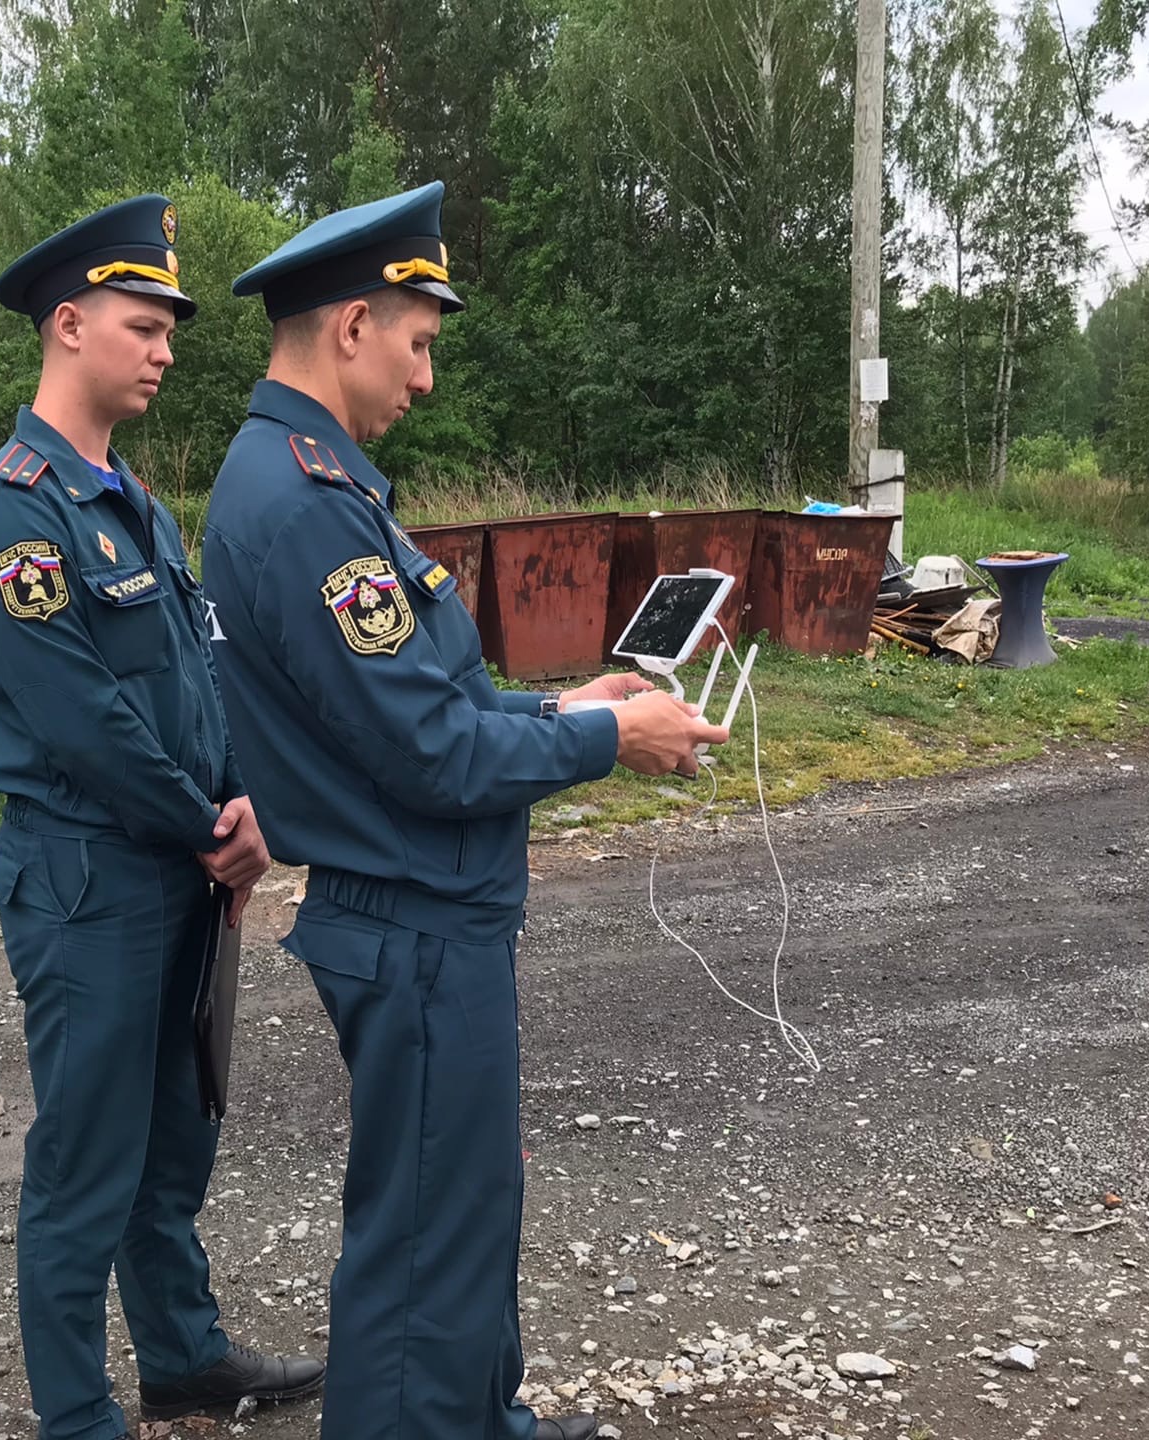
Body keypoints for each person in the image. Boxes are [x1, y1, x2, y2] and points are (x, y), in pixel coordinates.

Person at [200, 181, 728, 1440]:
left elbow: (418, 705)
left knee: (468, 1201)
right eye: (419, 343)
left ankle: (486, 1421)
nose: (426, 378)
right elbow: (432, 756)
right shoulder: (305, 505)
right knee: (426, 1237)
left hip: (426, 910)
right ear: (352, 326)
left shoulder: (314, 483)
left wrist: (559, 706)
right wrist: (611, 738)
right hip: (412, 918)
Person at [0, 194, 325, 1440]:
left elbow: (201, 674)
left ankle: (183, 1359)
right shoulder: (13, 513)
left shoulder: (133, 504)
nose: (165, 350)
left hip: (180, 869)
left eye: (168, 330)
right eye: (143, 326)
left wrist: (250, 800)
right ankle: (77, 1416)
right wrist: (212, 828)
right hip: (92, 882)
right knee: (85, 1164)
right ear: (68, 325)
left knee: (171, 1144)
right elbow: (84, 723)